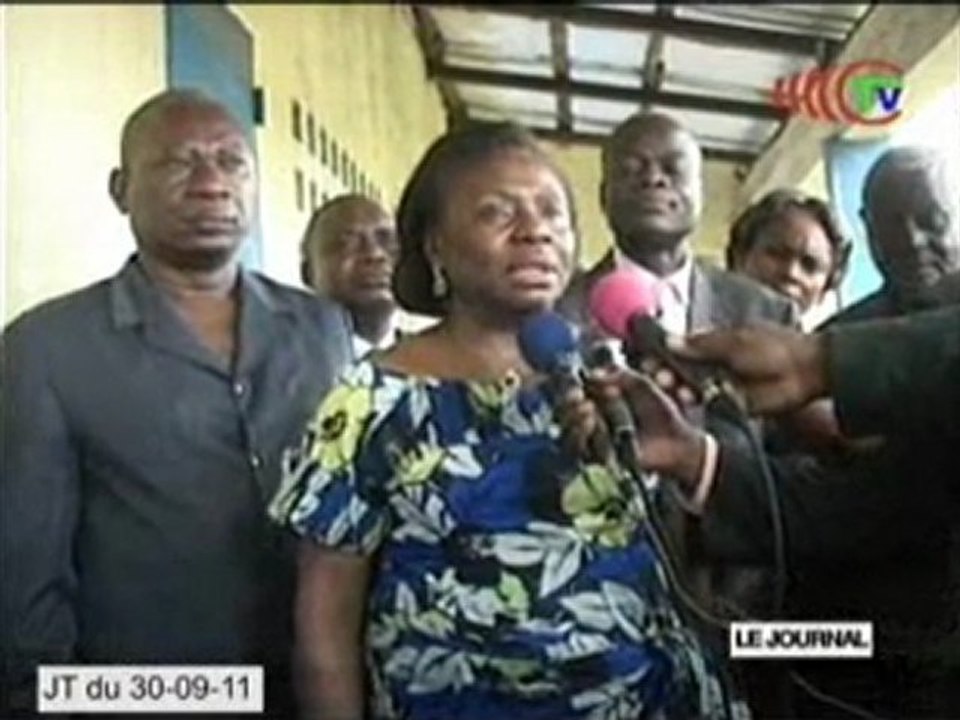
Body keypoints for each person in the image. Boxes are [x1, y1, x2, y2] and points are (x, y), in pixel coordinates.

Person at [268, 122, 746, 720]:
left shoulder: (606, 369)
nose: (535, 230)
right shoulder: (370, 398)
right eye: (498, 213)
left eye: (553, 212)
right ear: (434, 246)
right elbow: (324, 626)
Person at [0, 89, 353, 718]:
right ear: (120, 188)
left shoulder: (322, 329)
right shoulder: (48, 347)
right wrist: (43, 700)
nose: (212, 183)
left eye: (231, 161)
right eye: (179, 163)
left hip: (319, 686)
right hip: (149, 695)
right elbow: (27, 569)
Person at [557, 110, 799, 716]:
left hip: (747, 611)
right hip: (600, 612)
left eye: (672, 168)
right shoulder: (557, 313)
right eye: (632, 170)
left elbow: (795, 465)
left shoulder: (765, 313)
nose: (653, 181)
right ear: (604, 194)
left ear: (700, 186)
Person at [827, 145, 959, 325]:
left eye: (932, 220)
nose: (913, 241)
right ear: (868, 228)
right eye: (891, 226)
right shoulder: (837, 337)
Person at [301, 194, 423, 358]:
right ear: (308, 273)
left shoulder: (439, 367)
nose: (374, 254)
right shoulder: (277, 366)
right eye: (347, 244)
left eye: (389, 242)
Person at [726, 189, 850, 329]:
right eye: (777, 253)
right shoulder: (698, 333)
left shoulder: (831, 350)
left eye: (810, 265)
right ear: (739, 256)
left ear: (825, 289)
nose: (791, 273)